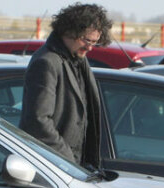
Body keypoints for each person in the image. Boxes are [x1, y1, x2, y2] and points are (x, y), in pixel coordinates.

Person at [19, 3, 112, 167]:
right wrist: (67, 159)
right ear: (69, 31)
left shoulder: (78, 60)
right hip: (53, 167)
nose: (90, 48)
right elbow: (37, 121)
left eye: (95, 42)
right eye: (87, 40)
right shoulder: (46, 62)